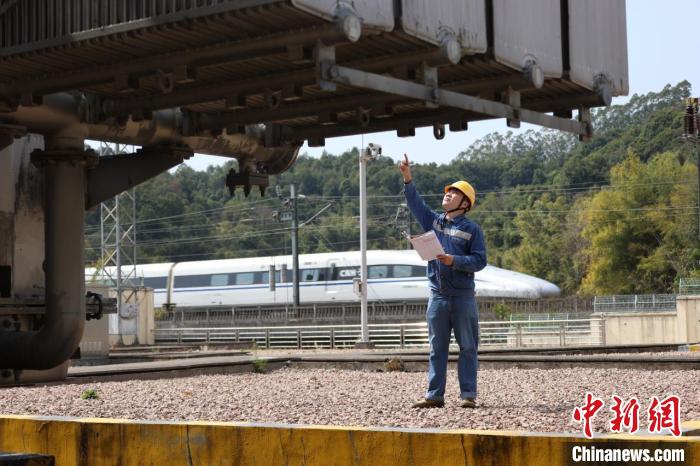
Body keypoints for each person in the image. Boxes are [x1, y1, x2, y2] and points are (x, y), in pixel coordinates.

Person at [399, 153, 487, 408]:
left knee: (468, 346)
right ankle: (434, 396)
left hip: (462, 297)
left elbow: (480, 261)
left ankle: (468, 395)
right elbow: (415, 203)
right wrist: (407, 176)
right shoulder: (433, 221)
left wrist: (454, 260)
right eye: (447, 192)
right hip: (437, 295)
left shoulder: (472, 230)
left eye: (454, 193)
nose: (448, 194)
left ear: (465, 203)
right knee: (437, 348)